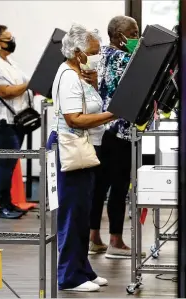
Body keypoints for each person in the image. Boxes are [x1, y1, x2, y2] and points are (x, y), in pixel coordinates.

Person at [46, 24, 115, 292]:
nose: (97, 56)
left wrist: (95, 85)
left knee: (82, 213)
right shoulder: (68, 77)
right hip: (70, 148)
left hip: (84, 148)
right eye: (94, 52)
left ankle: (82, 269)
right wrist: (114, 113)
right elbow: (74, 119)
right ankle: (68, 277)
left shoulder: (80, 74)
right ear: (77, 52)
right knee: (71, 214)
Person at [89, 16, 146, 259]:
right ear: (119, 36)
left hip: (100, 130)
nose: (137, 37)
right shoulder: (127, 59)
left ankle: (94, 238)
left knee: (99, 186)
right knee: (120, 186)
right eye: (133, 33)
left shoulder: (99, 56)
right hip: (120, 130)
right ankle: (116, 241)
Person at [0, 25, 32, 219]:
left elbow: (25, 83)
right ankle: (3, 205)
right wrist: (28, 85)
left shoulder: (9, 62)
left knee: (10, 162)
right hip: (0, 120)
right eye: (8, 38)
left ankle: (8, 202)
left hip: (14, 119)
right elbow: (5, 91)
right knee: (6, 162)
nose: (12, 41)